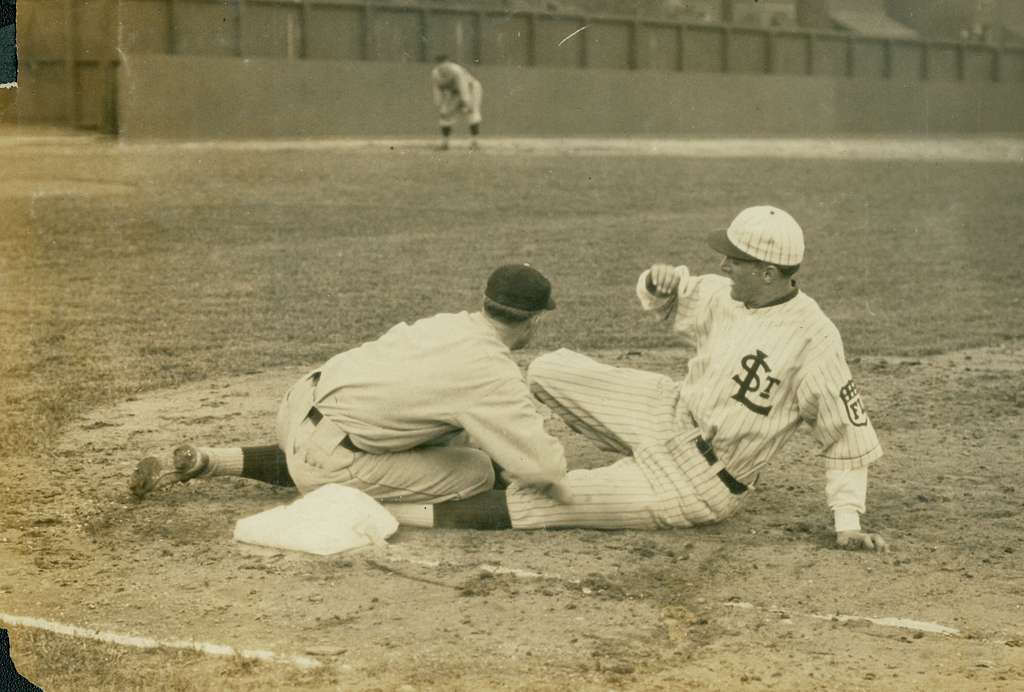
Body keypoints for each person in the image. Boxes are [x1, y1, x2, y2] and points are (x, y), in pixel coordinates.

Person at [389, 206, 889, 552]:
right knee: (547, 369)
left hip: (700, 481)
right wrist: (656, 282)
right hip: (668, 413)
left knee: (545, 504)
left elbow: (846, 437)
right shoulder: (724, 294)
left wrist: (848, 523)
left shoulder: (815, 341)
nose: (722, 264)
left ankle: (387, 507)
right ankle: (498, 456)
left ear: (766, 271)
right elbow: (665, 299)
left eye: (734, 259)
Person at [130, 264, 566, 525]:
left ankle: (210, 459)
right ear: (532, 322)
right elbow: (544, 470)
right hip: (331, 458)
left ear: (484, 301)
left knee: (441, 434)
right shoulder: (491, 371)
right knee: (474, 470)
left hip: (299, 405)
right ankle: (382, 512)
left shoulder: (447, 322)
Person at [430, 54, 482, 151]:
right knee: (444, 113)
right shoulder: (435, 73)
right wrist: (439, 103)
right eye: (440, 64)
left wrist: (466, 103)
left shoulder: (456, 71)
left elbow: (464, 88)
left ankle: (475, 142)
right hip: (453, 92)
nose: (443, 67)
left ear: (449, 63)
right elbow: (437, 89)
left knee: (471, 112)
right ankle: (445, 143)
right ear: (437, 65)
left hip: (472, 88)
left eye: (445, 64)